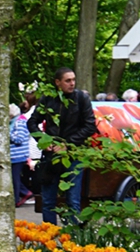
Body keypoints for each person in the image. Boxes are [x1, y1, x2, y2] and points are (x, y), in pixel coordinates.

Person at [35, 67, 96, 226]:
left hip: (73, 155)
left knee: (72, 200)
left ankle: (73, 237)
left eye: (73, 80)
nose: (72, 83)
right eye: (68, 80)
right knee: (48, 200)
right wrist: (44, 141)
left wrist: (67, 145)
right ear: (57, 82)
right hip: (51, 157)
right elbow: (32, 122)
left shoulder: (81, 98)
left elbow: (90, 126)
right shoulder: (48, 99)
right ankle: (49, 238)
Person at [8, 103, 35, 205]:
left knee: (15, 178)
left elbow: (19, 138)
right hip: (13, 155)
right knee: (13, 177)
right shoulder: (13, 122)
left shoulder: (20, 122)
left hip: (18, 155)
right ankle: (23, 193)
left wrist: (7, 133)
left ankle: (18, 198)